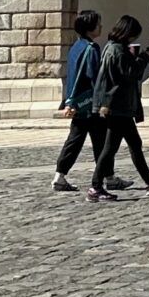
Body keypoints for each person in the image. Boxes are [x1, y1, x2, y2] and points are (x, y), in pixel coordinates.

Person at [89, 16, 149, 201]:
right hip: (116, 105)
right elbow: (130, 75)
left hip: (114, 104)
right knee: (110, 148)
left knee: (134, 143)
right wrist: (143, 58)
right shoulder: (118, 50)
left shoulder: (110, 47)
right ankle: (95, 186)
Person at [51, 11, 106, 192]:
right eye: (98, 24)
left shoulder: (76, 46)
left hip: (78, 102)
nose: (101, 27)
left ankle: (60, 175)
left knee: (76, 140)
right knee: (100, 141)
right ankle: (106, 177)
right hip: (90, 102)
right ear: (90, 29)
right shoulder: (92, 48)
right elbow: (95, 76)